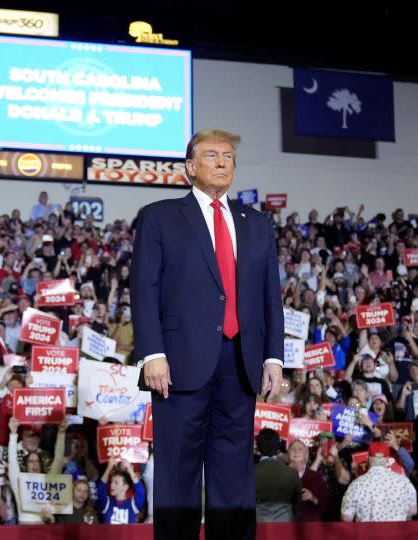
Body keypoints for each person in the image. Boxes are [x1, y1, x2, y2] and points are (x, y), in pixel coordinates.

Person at [133, 129, 284, 540]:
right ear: (189, 167)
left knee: (234, 474)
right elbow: (144, 288)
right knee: (178, 470)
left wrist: (273, 356)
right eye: (212, 155)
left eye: (229, 156)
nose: (222, 163)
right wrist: (152, 354)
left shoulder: (257, 225)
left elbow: (271, 294)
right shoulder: (159, 216)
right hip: (179, 363)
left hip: (241, 363)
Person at [340, 441, 417, 522]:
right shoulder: (403, 482)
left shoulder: (356, 485)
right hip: (396, 533)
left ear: (368, 459)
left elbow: (346, 518)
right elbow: (413, 511)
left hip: (366, 534)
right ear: (387, 459)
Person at [253, 428, 301, 523]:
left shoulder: (251, 472)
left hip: (258, 524)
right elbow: (297, 505)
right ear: (278, 447)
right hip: (285, 524)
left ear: (258, 447)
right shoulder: (292, 473)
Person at [286, 439, 328, 521]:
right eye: (293, 448)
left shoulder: (317, 477)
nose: (296, 451)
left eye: (300, 449)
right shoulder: (279, 474)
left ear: (306, 454)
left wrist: (312, 498)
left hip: (309, 528)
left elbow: (325, 508)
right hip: (284, 526)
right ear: (288, 453)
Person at [96, 457, 146, 524]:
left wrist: (130, 470)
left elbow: (141, 491)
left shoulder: (133, 504)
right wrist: (109, 468)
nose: (111, 485)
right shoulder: (107, 503)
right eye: (111, 482)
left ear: (125, 487)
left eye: (116, 482)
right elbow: (100, 489)